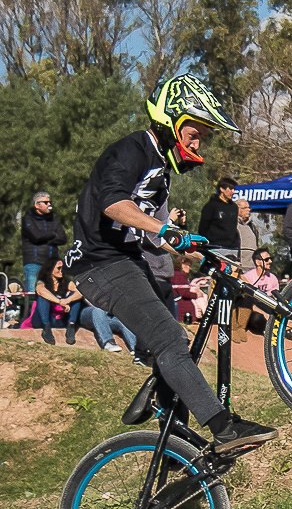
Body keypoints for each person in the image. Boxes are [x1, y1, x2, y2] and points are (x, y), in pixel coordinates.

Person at [64, 71, 277, 453]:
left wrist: (200, 256)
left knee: (171, 340)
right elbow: (113, 204)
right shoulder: (132, 150)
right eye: (194, 134)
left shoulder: (159, 170)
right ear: (170, 121)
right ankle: (224, 427)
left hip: (127, 259)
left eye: (202, 138)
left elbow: (151, 234)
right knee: (169, 341)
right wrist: (164, 230)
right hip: (99, 264)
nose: (198, 143)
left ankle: (172, 432)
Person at [142, 207, 187, 317]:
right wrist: (170, 221)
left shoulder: (165, 224)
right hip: (154, 277)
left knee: (171, 321)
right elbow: (155, 239)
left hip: (166, 279)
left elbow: (180, 242)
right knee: (157, 319)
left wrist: (182, 225)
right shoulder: (145, 222)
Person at [21, 192, 67, 293]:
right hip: (34, 263)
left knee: (53, 292)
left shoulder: (54, 219)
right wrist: (53, 234)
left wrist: (46, 237)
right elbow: (36, 236)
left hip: (51, 263)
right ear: (37, 205)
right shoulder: (27, 219)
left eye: (50, 202)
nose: (49, 205)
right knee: (33, 292)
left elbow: (63, 238)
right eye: (46, 202)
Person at [33, 258, 82, 345]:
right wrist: (60, 302)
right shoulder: (42, 282)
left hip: (59, 318)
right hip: (43, 318)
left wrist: (68, 300)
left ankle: (71, 326)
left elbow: (80, 292)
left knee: (75, 298)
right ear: (50, 269)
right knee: (42, 298)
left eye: (63, 268)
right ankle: (46, 329)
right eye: (58, 268)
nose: (61, 271)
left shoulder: (66, 282)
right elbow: (40, 290)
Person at [198, 177, 240, 258]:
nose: (233, 191)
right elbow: (203, 228)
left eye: (234, 189)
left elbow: (233, 227)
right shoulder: (211, 206)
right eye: (230, 189)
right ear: (222, 189)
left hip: (232, 249)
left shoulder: (234, 207)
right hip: (215, 248)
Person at [236, 199, 259, 271]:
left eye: (249, 207)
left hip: (253, 268)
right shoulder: (232, 225)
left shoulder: (252, 226)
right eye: (244, 208)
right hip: (240, 268)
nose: (248, 210)